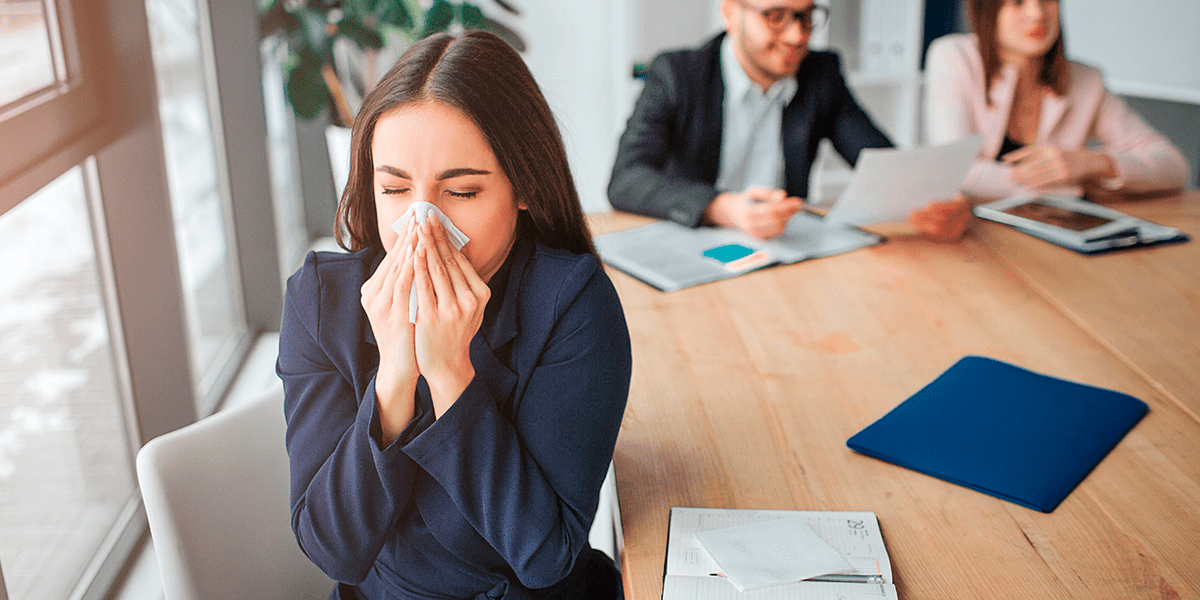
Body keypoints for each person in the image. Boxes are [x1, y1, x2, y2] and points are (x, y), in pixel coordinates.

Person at [277, 30, 632, 600]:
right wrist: (396, 375)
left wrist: (450, 376)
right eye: (395, 188)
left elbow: (545, 558)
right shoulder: (320, 300)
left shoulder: (574, 303)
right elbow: (333, 549)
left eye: (461, 192)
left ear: (524, 186)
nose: (422, 226)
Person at [608, 0, 971, 242]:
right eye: (776, 16)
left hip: (784, 246)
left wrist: (934, 195)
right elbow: (625, 180)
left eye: (805, 16)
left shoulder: (821, 74)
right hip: (697, 240)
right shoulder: (677, 73)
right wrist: (722, 208)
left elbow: (878, 159)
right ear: (731, 13)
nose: (797, 36)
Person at [924, 0, 1189, 202]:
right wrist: (1073, 188)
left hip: (1052, 233)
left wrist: (1093, 163)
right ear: (986, 11)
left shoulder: (1086, 80)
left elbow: (1175, 167)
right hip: (976, 235)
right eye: (1017, 1)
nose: (1038, 14)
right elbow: (954, 170)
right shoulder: (954, 57)